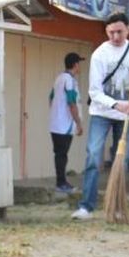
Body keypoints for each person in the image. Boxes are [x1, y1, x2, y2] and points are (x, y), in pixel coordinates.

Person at [71, 13, 129, 220]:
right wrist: (117, 104)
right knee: (93, 156)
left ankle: (117, 206)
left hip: (127, 116)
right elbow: (94, 92)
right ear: (106, 31)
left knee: (122, 160)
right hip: (102, 112)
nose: (116, 36)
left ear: (128, 30)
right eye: (111, 32)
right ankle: (86, 207)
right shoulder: (100, 54)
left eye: (120, 31)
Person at [49, 52, 85, 193]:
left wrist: (55, 113)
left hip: (55, 123)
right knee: (62, 155)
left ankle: (61, 182)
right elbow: (71, 102)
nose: (79, 66)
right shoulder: (70, 80)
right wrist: (78, 123)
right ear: (75, 64)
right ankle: (61, 183)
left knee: (59, 154)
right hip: (65, 125)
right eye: (79, 63)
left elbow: (51, 98)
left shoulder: (59, 78)